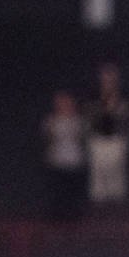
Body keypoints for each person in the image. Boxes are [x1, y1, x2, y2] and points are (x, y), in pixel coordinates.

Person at [85, 63, 129, 207]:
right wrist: (103, 108)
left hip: (117, 137)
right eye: (105, 75)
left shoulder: (123, 94)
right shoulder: (93, 94)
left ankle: (116, 201)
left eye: (111, 75)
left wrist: (117, 108)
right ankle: (98, 202)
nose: (108, 79)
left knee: (116, 169)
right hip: (98, 137)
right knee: (98, 170)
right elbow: (88, 112)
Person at [42, 91, 88, 221]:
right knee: (57, 193)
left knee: (72, 193)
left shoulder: (79, 120)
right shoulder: (50, 120)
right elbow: (47, 139)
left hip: (74, 161)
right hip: (56, 161)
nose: (64, 105)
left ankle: (74, 217)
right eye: (60, 102)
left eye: (67, 102)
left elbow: (82, 139)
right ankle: (57, 217)